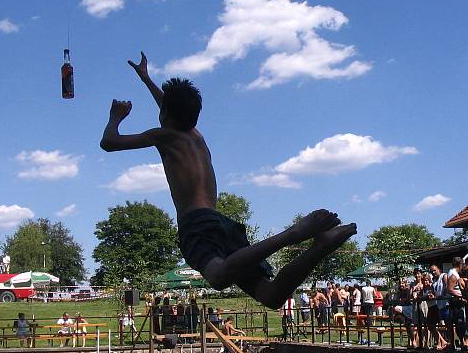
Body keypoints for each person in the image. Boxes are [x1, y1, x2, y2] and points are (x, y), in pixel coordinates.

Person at [100, 52, 356, 308]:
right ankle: (319, 247)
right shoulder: (196, 136)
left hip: (196, 223)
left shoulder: (164, 136)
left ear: (165, 114)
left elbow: (109, 143)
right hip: (220, 222)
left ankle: (294, 233)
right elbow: (172, 109)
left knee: (217, 276)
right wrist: (146, 79)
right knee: (271, 295)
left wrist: (116, 116)